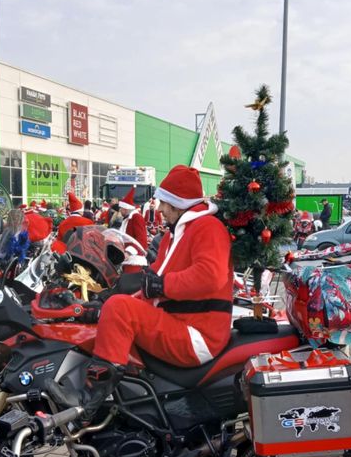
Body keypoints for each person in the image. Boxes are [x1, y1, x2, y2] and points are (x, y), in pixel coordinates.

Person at [54, 166, 233, 417]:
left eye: (163, 202)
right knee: (114, 308)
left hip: (197, 333)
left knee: (120, 308)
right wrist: (102, 306)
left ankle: (88, 400)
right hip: (179, 323)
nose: (158, 209)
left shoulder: (207, 228)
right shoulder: (175, 236)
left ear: (177, 203)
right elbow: (151, 284)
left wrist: (162, 285)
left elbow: (210, 276)